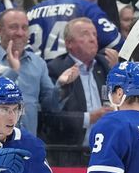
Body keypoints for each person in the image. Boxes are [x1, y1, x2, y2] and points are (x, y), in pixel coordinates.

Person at [0, 8, 61, 135]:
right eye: (13, 27)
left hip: (27, 143)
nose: (20, 33)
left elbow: (51, 106)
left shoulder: (38, 63)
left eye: (24, 28)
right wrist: (13, 71)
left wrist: (61, 86)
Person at [41, 17, 113, 149]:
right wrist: (89, 118)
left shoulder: (104, 66)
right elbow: (51, 116)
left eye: (94, 34)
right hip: (70, 153)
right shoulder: (56, 69)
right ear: (69, 43)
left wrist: (118, 68)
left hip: (104, 149)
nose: (93, 39)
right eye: (85, 34)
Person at [26, 0, 122, 61]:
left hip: (36, 73)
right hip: (71, 72)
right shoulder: (87, 8)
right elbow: (116, 42)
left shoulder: (32, 11)